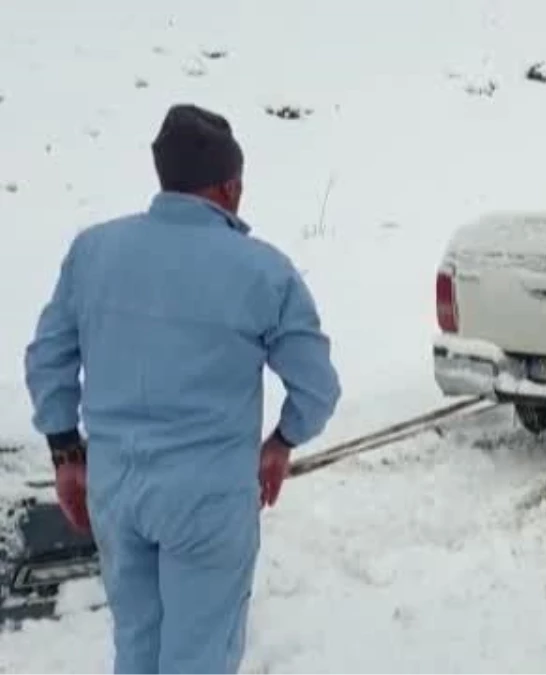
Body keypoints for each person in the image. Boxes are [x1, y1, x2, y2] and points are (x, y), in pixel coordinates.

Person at [24, 103, 342, 675]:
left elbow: (48, 357)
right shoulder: (261, 270)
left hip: (116, 492)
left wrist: (67, 453)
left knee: (138, 648)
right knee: (198, 656)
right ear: (229, 186)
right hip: (207, 500)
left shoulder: (94, 252)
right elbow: (316, 386)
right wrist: (281, 442)